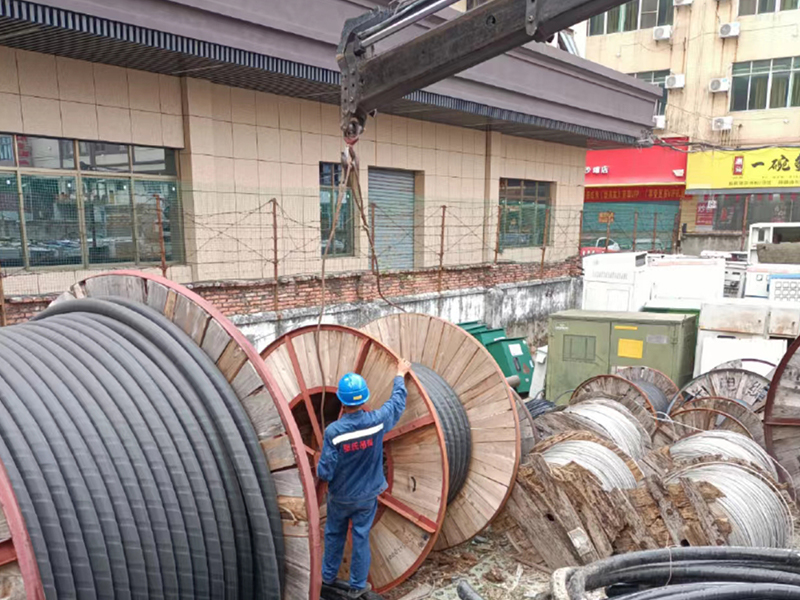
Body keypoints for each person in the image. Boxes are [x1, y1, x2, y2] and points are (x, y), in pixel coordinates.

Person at [317, 358, 411, 598]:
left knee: (334, 534)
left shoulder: (334, 432)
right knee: (361, 536)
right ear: (364, 399)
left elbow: (325, 472)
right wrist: (400, 375)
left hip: (340, 497)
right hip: (367, 497)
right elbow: (396, 403)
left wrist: (320, 468)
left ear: (342, 401)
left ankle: (327, 578)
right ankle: (358, 586)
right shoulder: (376, 422)